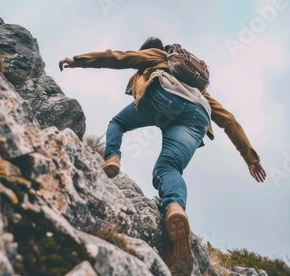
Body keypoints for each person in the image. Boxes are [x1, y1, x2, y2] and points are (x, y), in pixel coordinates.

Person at [59, 37, 266, 275]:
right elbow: (228, 119)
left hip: (163, 97)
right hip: (197, 115)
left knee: (117, 123)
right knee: (169, 168)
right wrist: (251, 158)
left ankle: (112, 158)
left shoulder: (156, 56)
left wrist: (78, 61)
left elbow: (117, 57)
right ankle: (175, 208)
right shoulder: (198, 86)